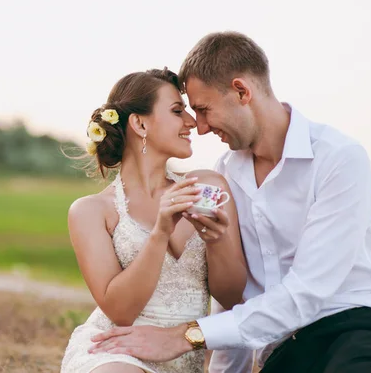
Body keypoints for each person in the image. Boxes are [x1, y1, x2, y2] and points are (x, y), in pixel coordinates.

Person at [89, 31, 371, 372]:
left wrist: (186, 336)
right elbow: (231, 300)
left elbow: (308, 291)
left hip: (353, 329)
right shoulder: (226, 174)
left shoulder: (338, 158)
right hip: (283, 349)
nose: (200, 128)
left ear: (242, 91)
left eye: (203, 110)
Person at [60, 68, 248, 372]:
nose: (192, 122)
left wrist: (216, 241)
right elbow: (121, 312)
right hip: (116, 350)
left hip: (183, 355)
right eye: (177, 111)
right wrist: (160, 233)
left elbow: (232, 296)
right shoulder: (91, 211)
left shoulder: (206, 187)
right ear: (140, 123)